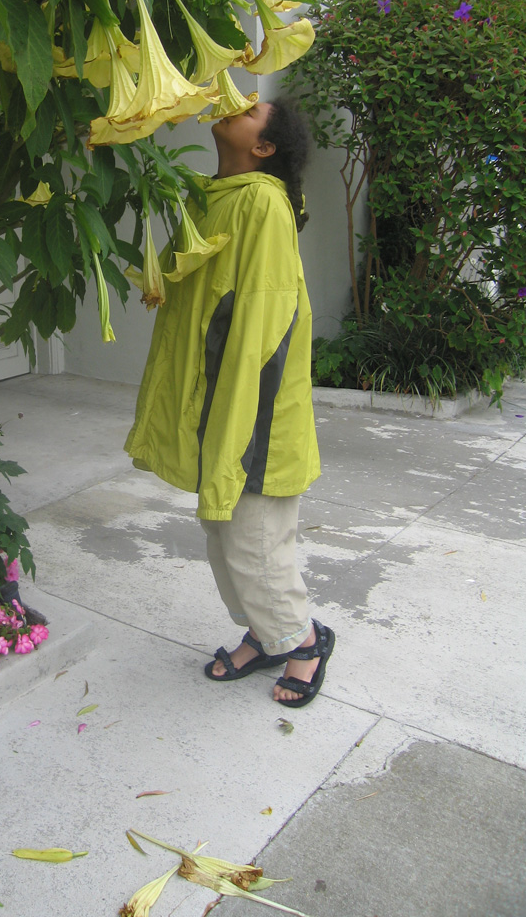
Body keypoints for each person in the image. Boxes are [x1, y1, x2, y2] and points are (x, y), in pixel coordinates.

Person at [124, 98, 334, 707]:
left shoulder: (262, 200)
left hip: (255, 406)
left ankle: (304, 643)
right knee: (224, 537)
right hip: (225, 396)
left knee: (255, 541)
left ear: (263, 148)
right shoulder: (213, 193)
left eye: (251, 110)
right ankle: (268, 635)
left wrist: (241, 419)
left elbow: (268, 316)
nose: (234, 103)